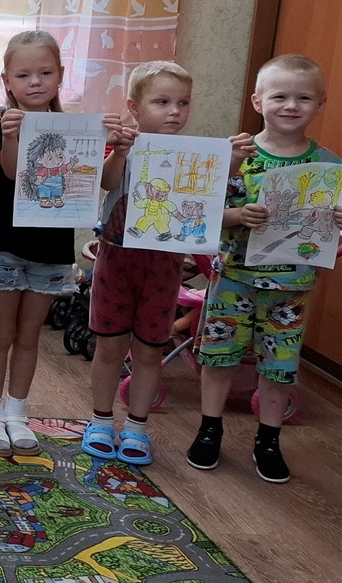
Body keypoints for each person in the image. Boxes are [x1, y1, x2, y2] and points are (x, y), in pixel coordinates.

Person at [189, 54, 336, 484]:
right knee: (219, 355)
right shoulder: (238, 156)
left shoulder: (330, 167)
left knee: (280, 365)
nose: (291, 105)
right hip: (234, 278)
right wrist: (237, 215)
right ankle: (209, 429)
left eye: (303, 98)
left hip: (291, 286)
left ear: (320, 104)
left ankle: (268, 440)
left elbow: (329, 232)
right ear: (258, 101)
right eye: (280, 96)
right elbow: (199, 214)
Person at [85, 61, 208, 466]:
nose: (174, 111)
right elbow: (106, 183)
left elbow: (203, 207)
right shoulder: (122, 144)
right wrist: (119, 152)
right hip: (116, 257)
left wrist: (232, 161)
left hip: (164, 263)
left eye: (183, 103)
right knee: (109, 345)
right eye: (162, 102)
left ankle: (137, 426)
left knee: (150, 349)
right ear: (134, 107)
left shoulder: (194, 156)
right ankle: (100, 420)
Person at [0, 31, 75, 458]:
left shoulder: (74, 129)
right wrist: (11, 135)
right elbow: (14, 174)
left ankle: (17, 412)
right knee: (0, 333)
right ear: (7, 81)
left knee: (30, 335)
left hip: (52, 249)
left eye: (45, 73)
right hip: (3, 244)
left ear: (60, 76)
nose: (35, 82)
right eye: (23, 75)